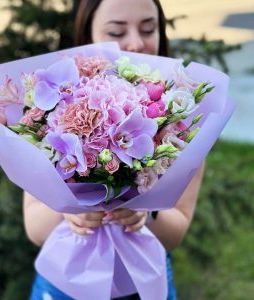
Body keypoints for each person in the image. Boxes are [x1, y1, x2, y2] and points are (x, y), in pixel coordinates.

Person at [25, 0, 205, 299]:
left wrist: (145, 215)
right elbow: (34, 226)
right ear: (87, 37)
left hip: (143, 283)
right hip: (64, 284)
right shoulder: (52, 113)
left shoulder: (181, 121)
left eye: (148, 28)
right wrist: (69, 211)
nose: (136, 41)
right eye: (117, 31)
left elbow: (177, 229)